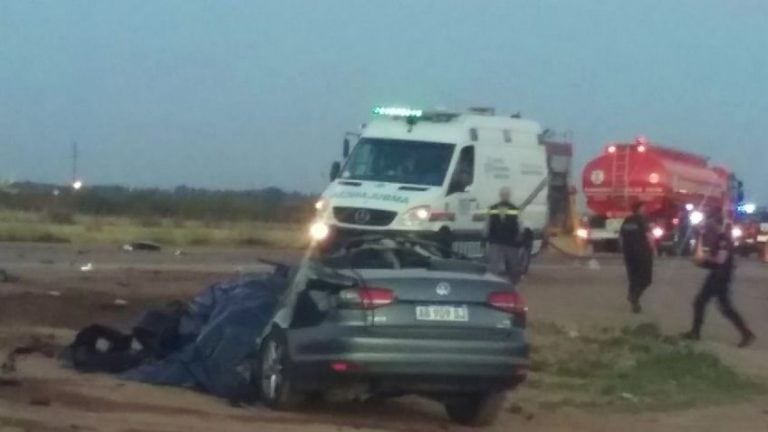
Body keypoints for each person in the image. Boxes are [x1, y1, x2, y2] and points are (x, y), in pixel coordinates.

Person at [683, 220, 755, 348]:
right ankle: (746, 333)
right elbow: (716, 262)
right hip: (718, 276)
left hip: (719, 278)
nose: (706, 229)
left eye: (709, 226)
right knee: (720, 306)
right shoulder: (718, 238)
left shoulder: (722, 240)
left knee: (707, 303)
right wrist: (702, 262)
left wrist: (704, 259)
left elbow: (720, 260)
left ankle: (696, 332)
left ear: (716, 225)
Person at [620, 202, 654, 313]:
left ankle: (634, 299)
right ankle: (634, 297)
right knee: (646, 279)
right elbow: (649, 237)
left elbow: (621, 237)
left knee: (633, 278)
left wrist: (624, 252)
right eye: (643, 207)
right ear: (639, 209)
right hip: (642, 254)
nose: (645, 209)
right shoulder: (643, 221)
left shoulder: (627, 221)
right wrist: (653, 249)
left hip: (629, 254)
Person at [485, 187, 522, 283]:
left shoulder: (515, 209)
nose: (505, 196)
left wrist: (519, 236)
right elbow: (487, 223)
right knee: (493, 264)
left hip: (510, 241)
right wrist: (486, 236)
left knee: (514, 264)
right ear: (500, 195)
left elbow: (519, 224)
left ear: (509, 196)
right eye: (503, 194)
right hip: (496, 240)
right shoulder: (492, 208)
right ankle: (492, 282)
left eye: (506, 194)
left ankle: (514, 282)